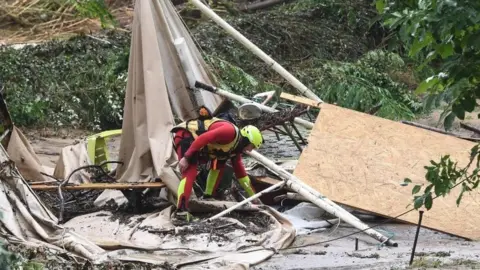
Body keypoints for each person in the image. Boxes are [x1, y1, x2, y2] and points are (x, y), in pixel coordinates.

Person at [171, 106, 264, 213]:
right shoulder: (229, 132)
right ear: (248, 140)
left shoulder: (234, 151)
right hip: (186, 136)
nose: (250, 150)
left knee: (219, 165)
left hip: (196, 142)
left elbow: (241, 175)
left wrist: (254, 197)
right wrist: (186, 158)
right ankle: (181, 212)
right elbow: (203, 138)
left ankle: (208, 195)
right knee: (190, 173)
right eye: (251, 147)